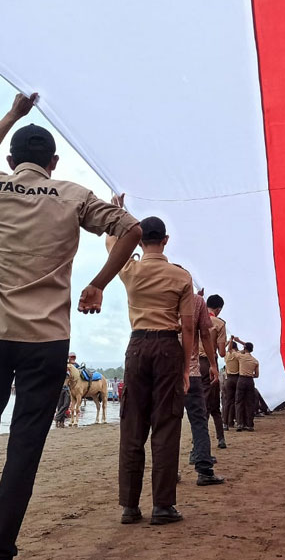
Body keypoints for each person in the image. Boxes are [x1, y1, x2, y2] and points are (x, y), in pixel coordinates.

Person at [0, 96, 140, 560]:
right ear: (54, 163)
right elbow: (130, 227)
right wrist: (97, 285)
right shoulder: (73, 195)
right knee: (25, 447)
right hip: (48, 341)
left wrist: (12, 113)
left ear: (12, 161)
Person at [108, 212, 195, 526]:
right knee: (166, 426)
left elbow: (111, 240)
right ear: (166, 240)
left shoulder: (129, 268)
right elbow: (187, 328)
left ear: (140, 240)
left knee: (132, 426)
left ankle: (130, 507)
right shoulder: (181, 277)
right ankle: (162, 506)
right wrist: (186, 369)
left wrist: (117, 210)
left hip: (137, 346)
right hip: (168, 347)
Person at [184, 291, 225, 485]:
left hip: (170, 367)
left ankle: (168, 470)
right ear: (218, 309)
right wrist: (214, 365)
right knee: (203, 414)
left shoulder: (164, 301)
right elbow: (220, 349)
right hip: (199, 367)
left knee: (167, 422)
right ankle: (203, 463)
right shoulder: (218, 323)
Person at [200, 294, 228, 449]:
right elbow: (222, 352)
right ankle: (220, 438)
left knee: (199, 403)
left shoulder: (195, 318)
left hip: (193, 364)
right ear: (218, 309)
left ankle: (198, 437)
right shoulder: (219, 323)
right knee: (213, 404)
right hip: (210, 364)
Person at [234, 340, 259, 431]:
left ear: (244, 348)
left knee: (239, 402)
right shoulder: (255, 361)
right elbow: (256, 375)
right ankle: (249, 424)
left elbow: (231, 351)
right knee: (249, 403)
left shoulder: (241, 357)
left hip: (241, 379)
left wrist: (238, 341)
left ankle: (240, 423)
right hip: (250, 381)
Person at [222, 339, 241, 429]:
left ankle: (225, 423)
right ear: (236, 347)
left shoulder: (226, 355)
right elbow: (247, 350)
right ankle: (231, 421)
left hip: (228, 379)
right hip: (237, 378)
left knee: (227, 402)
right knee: (236, 401)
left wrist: (229, 341)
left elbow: (222, 349)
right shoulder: (238, 355)